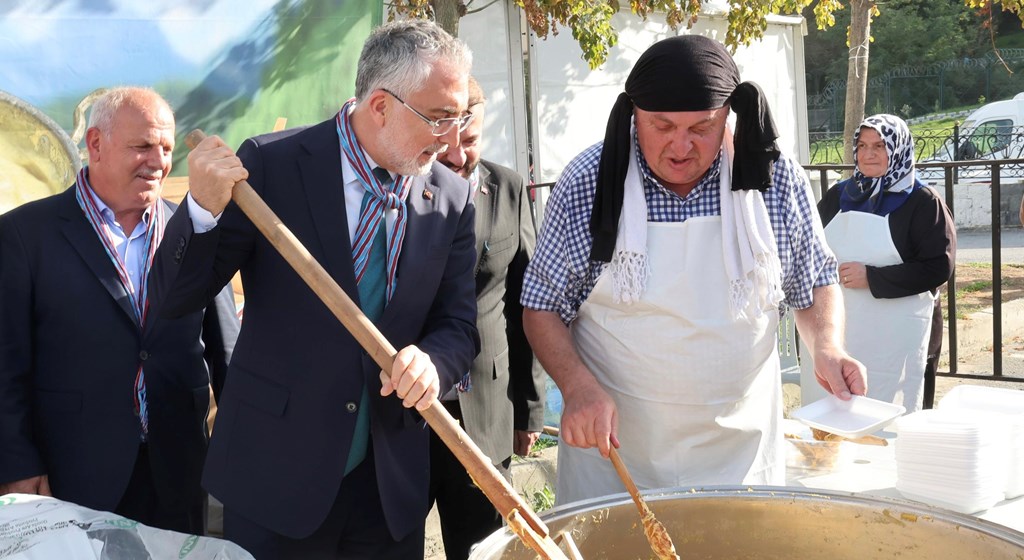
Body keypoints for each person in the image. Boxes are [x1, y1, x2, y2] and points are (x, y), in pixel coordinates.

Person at [150, 20, 480, 559]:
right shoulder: (271, 167)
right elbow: (173, 299)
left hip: (387, 491)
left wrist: (433, 363)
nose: (452, 137)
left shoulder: (451, 198)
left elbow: (457, 326)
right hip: (276, 478)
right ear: (380, 106)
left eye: (460, 117)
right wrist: (201, 212)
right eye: (440, 118)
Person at [520, 35, 867, 505]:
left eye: (702, 128)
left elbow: (813, 280)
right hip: (615, 457)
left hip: (739, 453)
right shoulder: (589, 181)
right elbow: (542, 307)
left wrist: (826, 346)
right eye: (661, 126)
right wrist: (577, 387)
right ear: (633, 115)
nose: (681, 147)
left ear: (730, 114)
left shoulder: (773, 177)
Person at [0, 86, 239, 534]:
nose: (158, 161)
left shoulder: (199, 230)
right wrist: (15, 462)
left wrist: (247, 455)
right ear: (95, 144)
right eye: (142, 146)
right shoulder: (22, 236)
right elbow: (5, 365)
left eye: (166, 148)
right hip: (70, 473)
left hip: (177, 471)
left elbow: (228, 354)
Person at [430, 77, 545, 559]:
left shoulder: (509, 189)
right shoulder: (397, 195)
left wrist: (529, 407)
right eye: (446, 148)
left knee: (484, 546)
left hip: (487, 415)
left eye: (471, 142)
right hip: (408, 415)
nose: (458, 157)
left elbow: (526, 304)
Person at [806, 114, 955, 413]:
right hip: (844, 330)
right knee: (837, 417)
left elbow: (938, 267)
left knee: (895, 418)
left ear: (898, 149)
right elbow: (810, 246)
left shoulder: (923, 201)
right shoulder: (839, 195)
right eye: (862, 145)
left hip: (900, 338)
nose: (868, 154)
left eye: (879, 145)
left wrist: (872, 278)